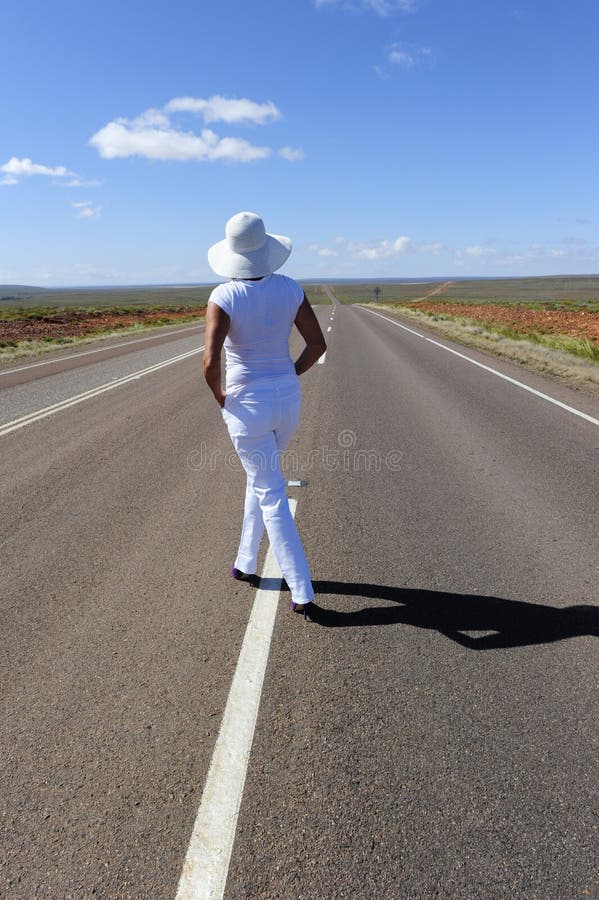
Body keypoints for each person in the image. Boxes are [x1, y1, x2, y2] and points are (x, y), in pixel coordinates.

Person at [203, 211, 327, 618]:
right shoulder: (290, 289)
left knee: (271, 492)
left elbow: (209, 363)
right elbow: (316, 345)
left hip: (248, 406)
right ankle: (245, 561)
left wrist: (224, 400)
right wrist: (287, 375)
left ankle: (302, 588)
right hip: (286, 400)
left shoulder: (224, 296)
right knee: (263, 478)